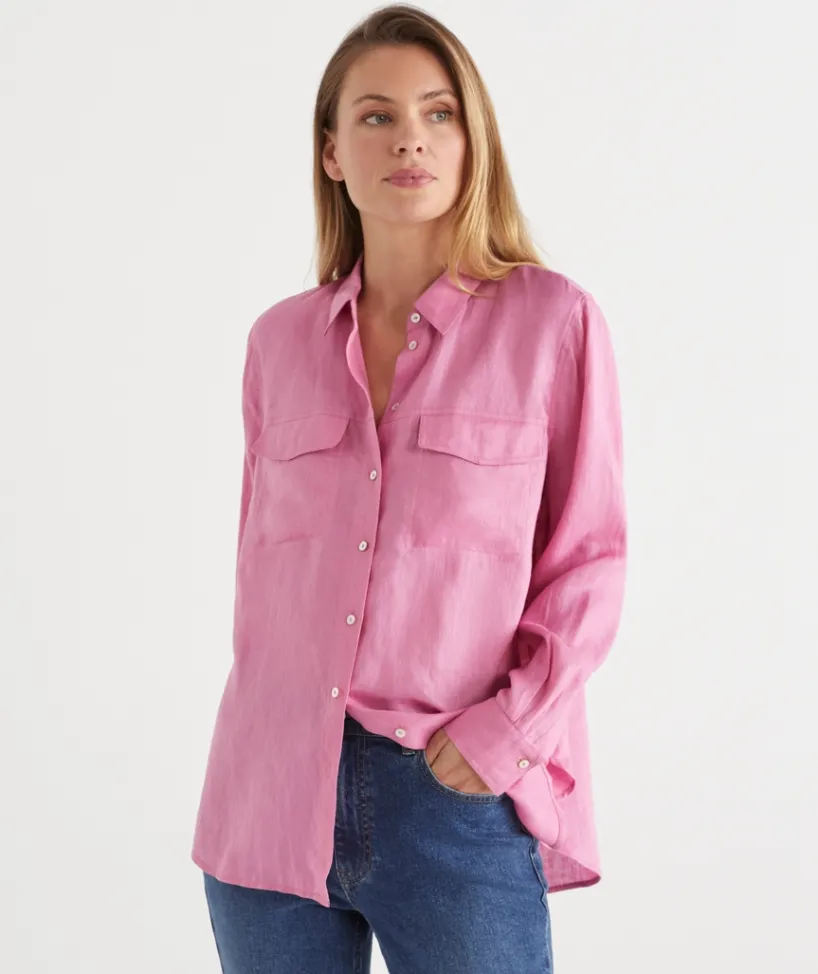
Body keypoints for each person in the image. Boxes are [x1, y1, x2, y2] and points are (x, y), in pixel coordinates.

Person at [192, 4, 627, 971]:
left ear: (473, 140)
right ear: (332, 153)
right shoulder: (278, 342)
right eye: (377, 116)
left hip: (451, 795)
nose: (410, 140)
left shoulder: (551, 322)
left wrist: (506, 733)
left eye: (438, 113)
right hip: (269, 798)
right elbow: (258, 575)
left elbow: (591, 560)